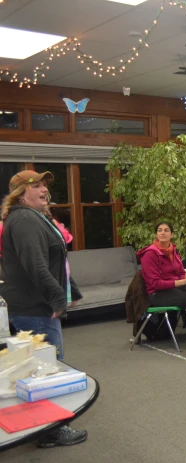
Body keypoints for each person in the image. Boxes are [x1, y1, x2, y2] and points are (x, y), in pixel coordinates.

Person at [0, 170, 88, 448]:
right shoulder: (24, 220)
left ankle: (43, 426)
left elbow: (57, 258)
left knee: (39, 368)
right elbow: (35, 265)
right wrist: (57, 298)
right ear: (19, 194)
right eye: (35, 186)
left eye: (44, 186)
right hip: (34, 309)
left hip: (37, 305)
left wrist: (69, 288)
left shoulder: (36, 217)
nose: (43, 190)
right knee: (45, 370)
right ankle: (51, 430)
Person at [138, 221, 186, 349]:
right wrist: (183, 282)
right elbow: (155, 284)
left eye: (166, 230)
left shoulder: (173, 251)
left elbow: (180, 273)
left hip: (175, 287)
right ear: (156, 234)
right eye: (159, 230)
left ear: (172, 234)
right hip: (158, 294)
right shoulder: (150, 254)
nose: (162, 233)